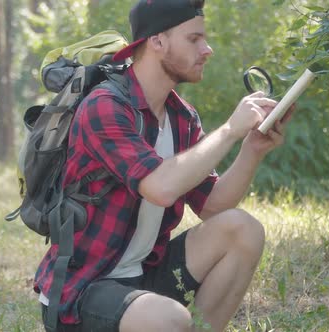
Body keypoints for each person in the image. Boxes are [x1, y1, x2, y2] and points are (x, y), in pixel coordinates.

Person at [34, 0, 294, 331]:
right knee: (169, 318)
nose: (207, 49)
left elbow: (213, 207)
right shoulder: (104, 106)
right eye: (194, 39)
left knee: (242, 230)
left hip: (143, 279)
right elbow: (160, 187)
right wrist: (229, 130)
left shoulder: (182, 117)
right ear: (157, 41)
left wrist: (251, 149)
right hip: (84, 290)